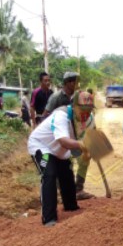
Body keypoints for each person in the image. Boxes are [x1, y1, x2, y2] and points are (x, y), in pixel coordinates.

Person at [27, 91, 95, 227]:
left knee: (67, 175)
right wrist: (82, 145)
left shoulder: (89, 118)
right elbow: (64, 141)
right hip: (42, 147)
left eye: (89, 109)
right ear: (74, 106)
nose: (86, 113)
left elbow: (90, 137)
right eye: (83, 109)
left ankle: (70, 206)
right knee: (49, 174)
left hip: (60, 152)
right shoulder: (61, 115)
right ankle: (49, 217)